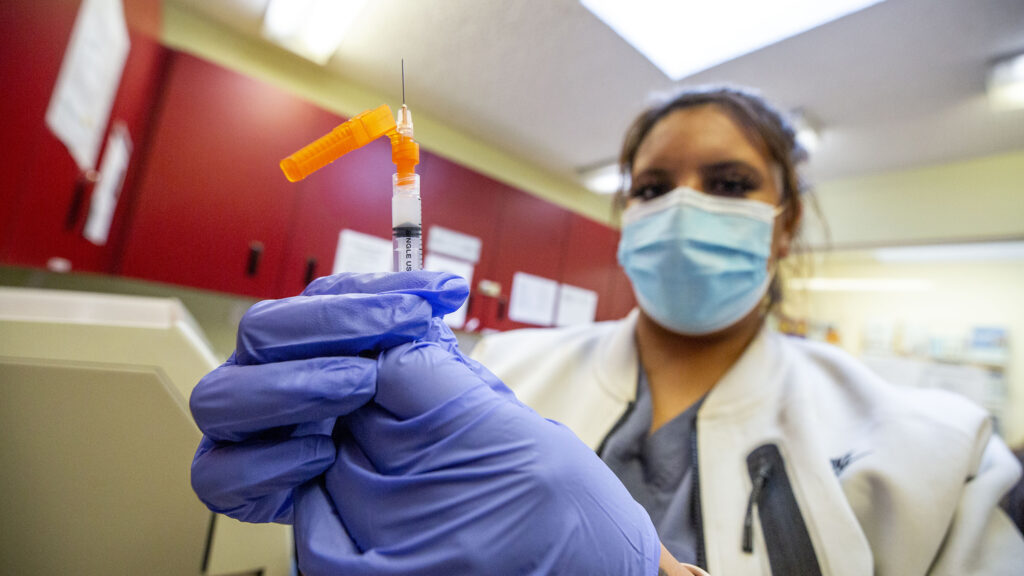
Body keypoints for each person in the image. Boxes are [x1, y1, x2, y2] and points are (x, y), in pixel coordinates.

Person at [188, 87, 1024, 575]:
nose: (686, 205)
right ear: (627, 214)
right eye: (654, 186)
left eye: (729, 182)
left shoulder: (942, 459)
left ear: (785, 221)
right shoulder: (497, 370)